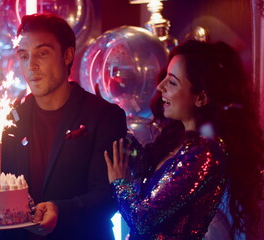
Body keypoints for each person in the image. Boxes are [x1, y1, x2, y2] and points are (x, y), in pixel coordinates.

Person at [105, 40, 263, 240]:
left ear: (201, 98)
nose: (160, 86)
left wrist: (119, 183)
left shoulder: (206, 153)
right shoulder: (179, 142)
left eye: (172, 82)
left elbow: (142, 221)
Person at [0, 13, 128, 240]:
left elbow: (110, 195)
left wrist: (60, 209)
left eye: (42, 53)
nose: (32, 65)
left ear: (67, 55)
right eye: (24, 55)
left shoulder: (104, 115)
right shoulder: (11, 117)